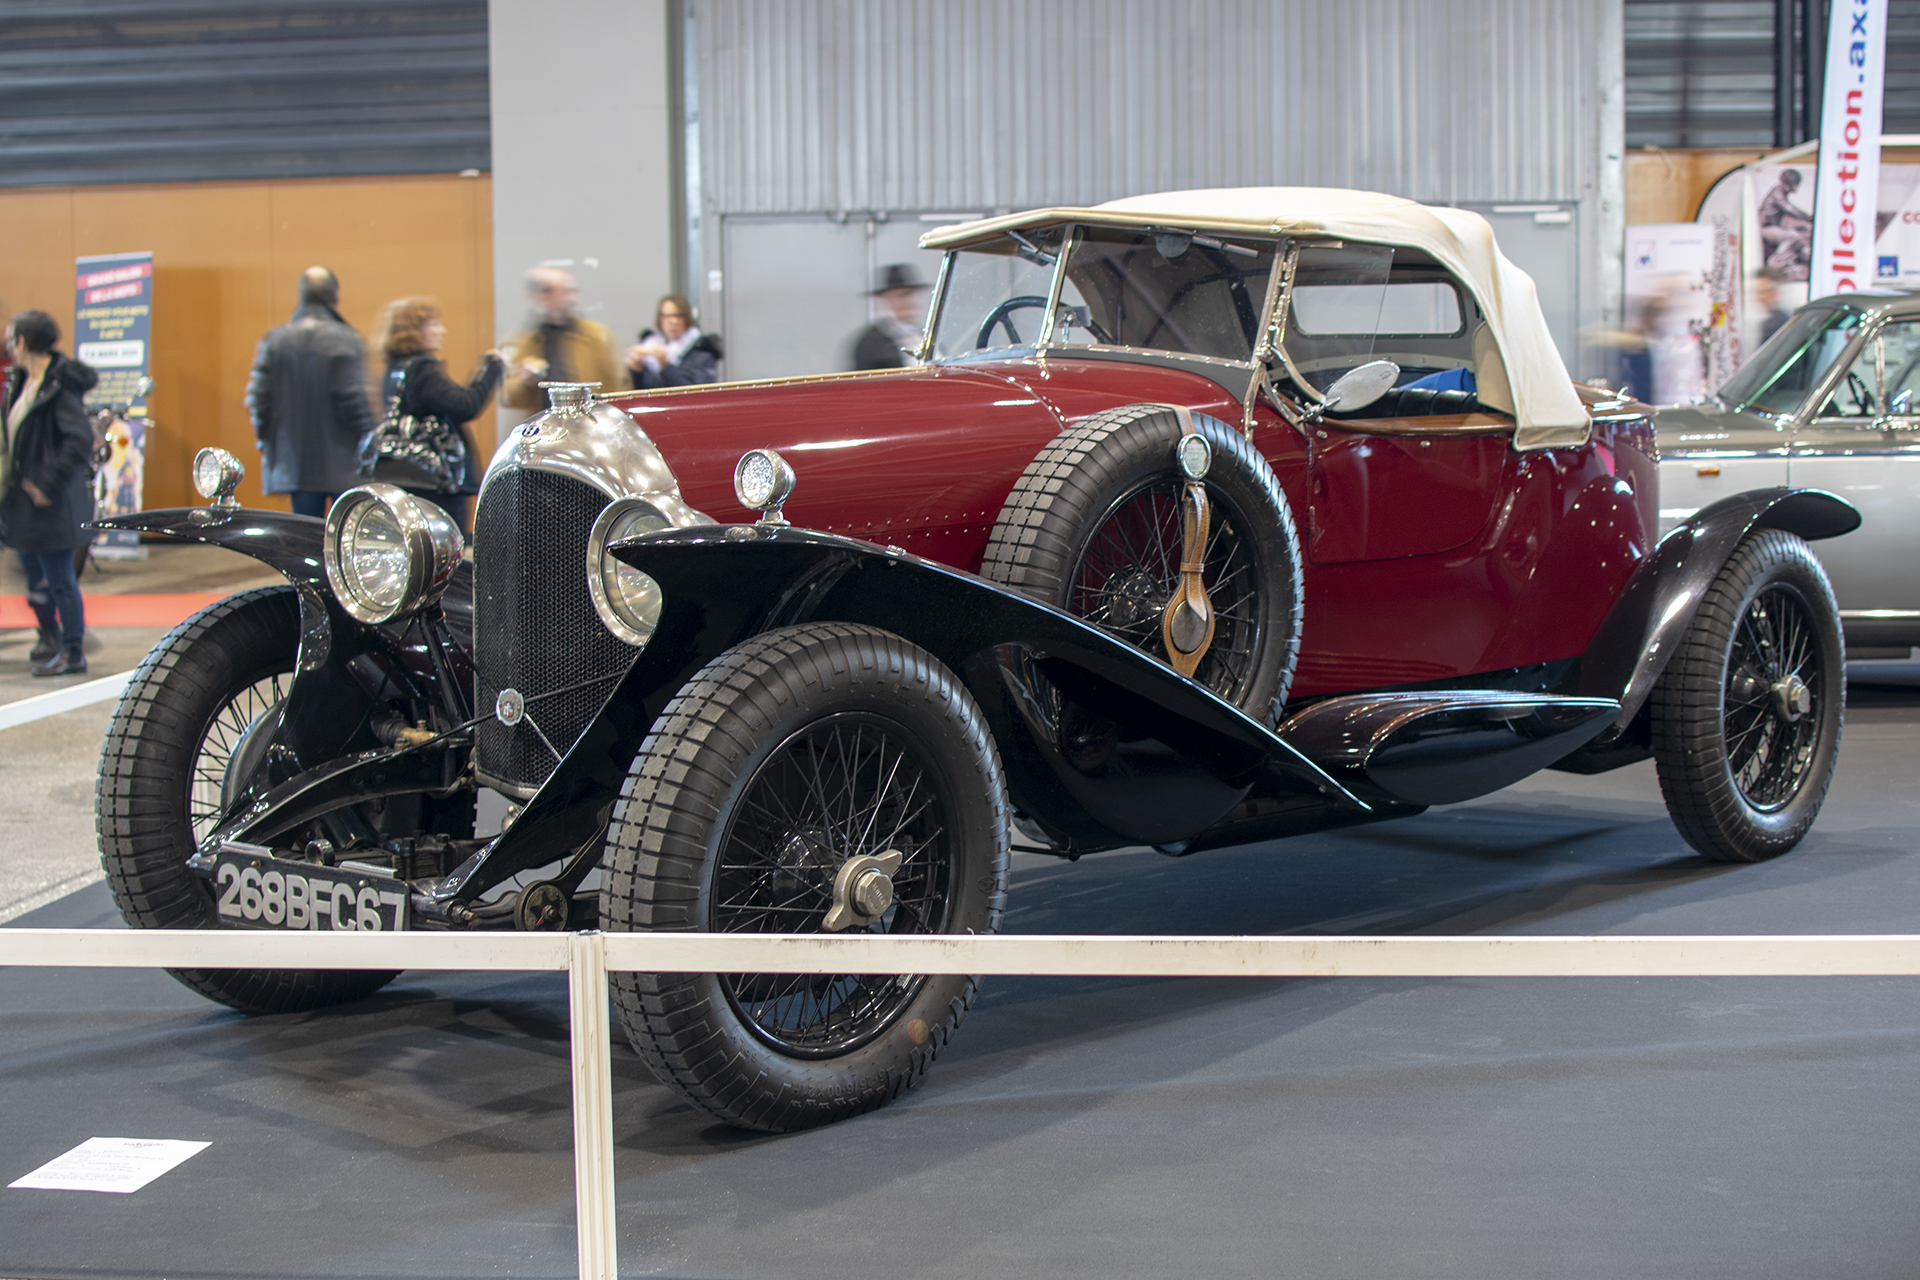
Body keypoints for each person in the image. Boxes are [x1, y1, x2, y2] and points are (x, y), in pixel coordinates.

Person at [2, 310, 97, 676]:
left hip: (52, 501)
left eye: (13, 337)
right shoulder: (22, 381)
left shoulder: (59, 386)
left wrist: (45, 482)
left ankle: (73, 651)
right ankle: (50, 636)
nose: (10, 344)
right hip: (25, 503)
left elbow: (79, 441)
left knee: (59, 578)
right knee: (35, 576)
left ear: (24, 342)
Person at [244, 266, 379, 519]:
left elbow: (257, 399)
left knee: (306, 535)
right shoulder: (347, 339)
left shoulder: (273, 340)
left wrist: (266, 441)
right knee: (344, 539)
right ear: (335, 297)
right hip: (344, 463)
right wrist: (373, 442)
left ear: (302, 295)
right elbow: (354, 402)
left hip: (295, 465)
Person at [372, 296, 506, 532]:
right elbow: (465, 405)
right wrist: (491, 366)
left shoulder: (396, 369)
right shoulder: (422, 371)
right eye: (432, 324)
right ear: (413, 331)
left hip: (406, 474)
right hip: (433, 481)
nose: (441, 331)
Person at [500, 267, 627, 416]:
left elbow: (620, 389)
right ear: (541, 295)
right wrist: (525, 382)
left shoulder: (597, 336)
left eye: (574, 291)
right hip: (544, 432)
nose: (572, 299)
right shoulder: (523, 341)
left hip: (590, 427)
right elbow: (510, 399)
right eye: (565, 292)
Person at [625, 294, 723, 388]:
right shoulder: (651, 346)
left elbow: (698, 394)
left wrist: (666, 367)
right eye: (667, 316)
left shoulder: (701, 352)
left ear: (687, 318)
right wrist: (636, 370)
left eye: (678, 316)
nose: (673, 322)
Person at [849, 264, 931, 371]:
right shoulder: (872, 344)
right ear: (887, 299)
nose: (911, 301)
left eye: (912, 294)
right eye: (903, 295)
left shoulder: (926, 335)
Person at [1753, 267, 1790, 345]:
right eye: (1757, 292)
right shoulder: (1784, 318)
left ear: (1775, 292)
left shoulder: (1775, 324)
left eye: (1763, 291)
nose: (1759, 297)